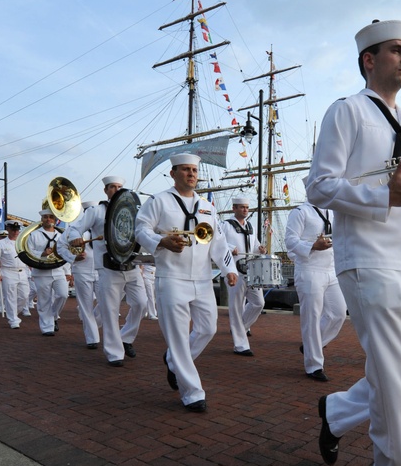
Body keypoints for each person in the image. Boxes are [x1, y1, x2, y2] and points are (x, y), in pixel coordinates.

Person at [306, 19, 401, 466]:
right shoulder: (348, 112)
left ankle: (337, 412)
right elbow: (320, 185)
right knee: (391, 377)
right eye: (396, 51)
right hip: (365, 259)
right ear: (369, 60)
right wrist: (383, 196)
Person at [135, 153, 238, 412]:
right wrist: (161, 241)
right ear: (173, 173)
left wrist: (229, 269)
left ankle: (173, 362)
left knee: (208, 328)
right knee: (179, 338)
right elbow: (140, 229)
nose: (191, 174)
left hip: (203, 279)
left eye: (194, 170)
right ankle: (192, 392)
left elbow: (219, 242)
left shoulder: (207, 206)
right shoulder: (159, 201)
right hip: (171, 278)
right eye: (185, 170)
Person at [70, 179, 149, 365]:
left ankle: (126, 337)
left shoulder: (133, 211)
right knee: (110, 311)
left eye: (120, 187)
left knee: (141, 304)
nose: (117, 190)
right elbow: (75, 228)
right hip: (108, 268)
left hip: (131, 265)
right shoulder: (96, 211)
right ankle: (114, 353)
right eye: (112, 187)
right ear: (105, 190)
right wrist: (75, 238)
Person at [284, 196, 346, 383]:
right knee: (312, 318)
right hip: (310, 270)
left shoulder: (332, 212)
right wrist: (312, 246)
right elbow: (290, 241)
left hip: (331, 270)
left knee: (339, 313)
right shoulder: (300, 212)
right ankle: (313, 365)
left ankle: (312, 345)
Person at [221, 196, 266, 356]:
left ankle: (242, 327)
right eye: (241, 207)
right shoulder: (225, 225)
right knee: (236, 306)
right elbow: (216, 243)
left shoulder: (250, 226)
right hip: (234, 270)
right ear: (234, 208)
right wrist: (230, 247)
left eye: (247, 207)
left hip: (250, 269)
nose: (245, 210)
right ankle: (240, 345)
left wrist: (260, 249)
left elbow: (253, 245)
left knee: (258, 302)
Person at [57, 203, 101, 348]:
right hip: (82, 271)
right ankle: (92, 338)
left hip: (102, 271)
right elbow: (60, 246)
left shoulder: (103, 227)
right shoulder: (73, 229)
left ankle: (94, 323)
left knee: (107, 304)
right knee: (86, 306)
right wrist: (73, 257)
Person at [27, 209, 69, 336]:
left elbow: (65, 253)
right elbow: (28, 252)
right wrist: (42, 254)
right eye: (45, 217)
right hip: (41, 272)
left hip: (58, 271)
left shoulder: (61, 235)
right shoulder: (34, 235)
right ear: (42, 219)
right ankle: (47, 327)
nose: (48, 219)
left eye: (51, 217)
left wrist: (67, 271)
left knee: (63, 295)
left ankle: (54, 316)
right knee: (44, 300)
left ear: (55, 219)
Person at [0, 221, 30, 329]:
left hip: (22, 272)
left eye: (17, 230)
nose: (16, 232)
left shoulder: (23, 243)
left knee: (24, 296)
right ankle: (13, 319)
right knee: (10, 297)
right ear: (8, 229)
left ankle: (14, 313)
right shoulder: (1, 243)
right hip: (8, 272)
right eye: (13, 230)